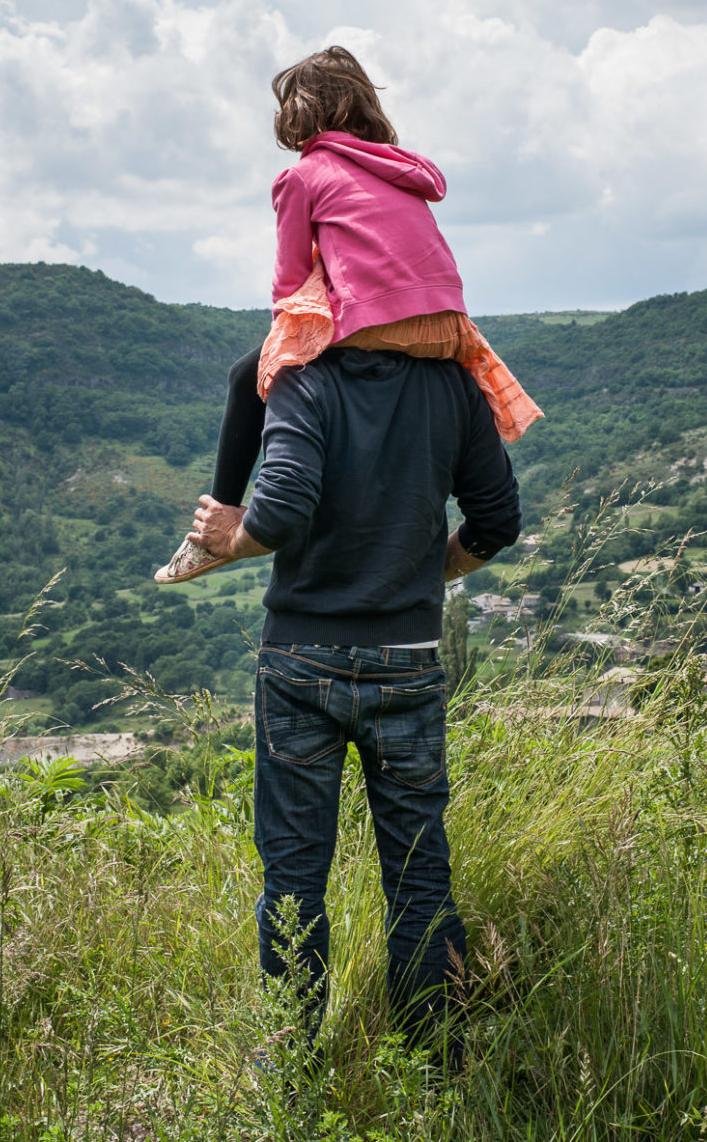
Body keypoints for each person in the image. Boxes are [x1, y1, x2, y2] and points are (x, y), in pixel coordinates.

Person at [188, 330, 522, 1059]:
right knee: (419, 876)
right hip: (406, 662)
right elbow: (497, 521)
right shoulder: (453, 386)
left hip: (299, 661)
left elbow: (276, 513)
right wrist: (421, 577)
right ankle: (434, 1074)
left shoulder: (301, 378)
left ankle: (288, 1068)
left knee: (294, 879)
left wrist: (230, 531)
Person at [153, 45, 539, 584]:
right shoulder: (402, 172)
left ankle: (213, 528)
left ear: (297, 114)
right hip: (447, 326)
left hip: (375, 324)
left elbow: (289, 281)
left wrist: (283, 348)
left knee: (247, 375)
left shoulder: (303, 177)